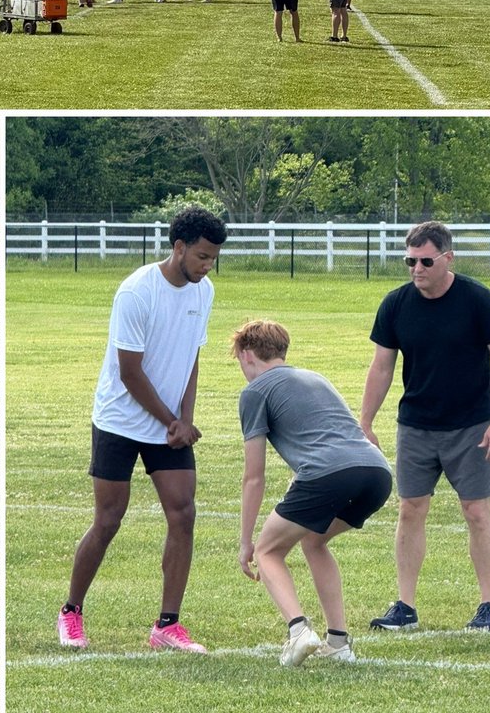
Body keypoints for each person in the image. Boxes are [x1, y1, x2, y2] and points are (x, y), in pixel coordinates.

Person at [57, 206, 228, 654]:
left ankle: (167, 625)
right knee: (108, 520)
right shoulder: (136, 291)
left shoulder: (204, 291)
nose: (208, 266)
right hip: (119, 421)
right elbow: (129, 372)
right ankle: (71, 611)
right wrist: (172, 421)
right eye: (203, 257)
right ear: (179, 247)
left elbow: (191, 358)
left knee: (183, 513)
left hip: (168, 426)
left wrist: (185, 419)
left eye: (213, 258)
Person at [359, 220, 490, 633]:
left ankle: (488, 606)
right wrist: (366, 421)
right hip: (416, 425)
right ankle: (405, 607)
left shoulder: (477, 299)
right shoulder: (396, 304)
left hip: (472, 425)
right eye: (410, 261)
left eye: (425, 261)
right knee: (410, 509)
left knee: (476, 510)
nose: (417, 269)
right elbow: (381, 367)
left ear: (448, 258)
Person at [234, 320, 392, 667]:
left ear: (246, 355)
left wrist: (246, 542)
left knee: (268, 551)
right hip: (377, 473)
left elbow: (254, 477)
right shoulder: (315, 378)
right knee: (314, 541)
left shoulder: (255, 391)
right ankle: (338, 643)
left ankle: (298, 631)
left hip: (330, 474)